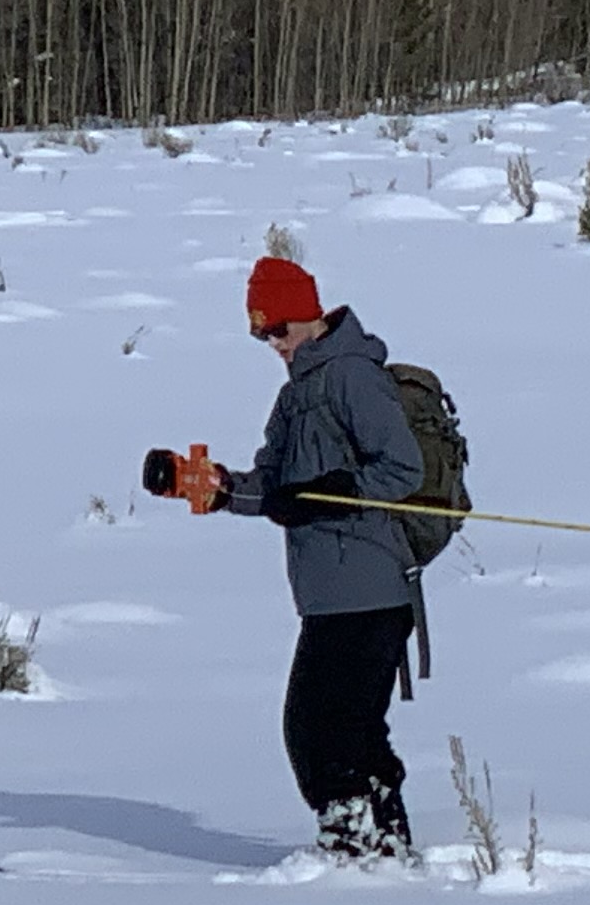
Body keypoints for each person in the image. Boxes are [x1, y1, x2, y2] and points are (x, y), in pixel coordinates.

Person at [152, 257, 428, 859]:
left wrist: (337, 491)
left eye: (278, 329)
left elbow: (405, 469)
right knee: (353, 734)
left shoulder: (354, 376)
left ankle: (354, 856)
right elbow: (276, 489)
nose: (272, 342)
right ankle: (386, 856)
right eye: (261, 334)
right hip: (327, 594)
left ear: (306, 314)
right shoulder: (293, 397)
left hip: (371, 587)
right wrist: (207, 485)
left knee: (316, 734)